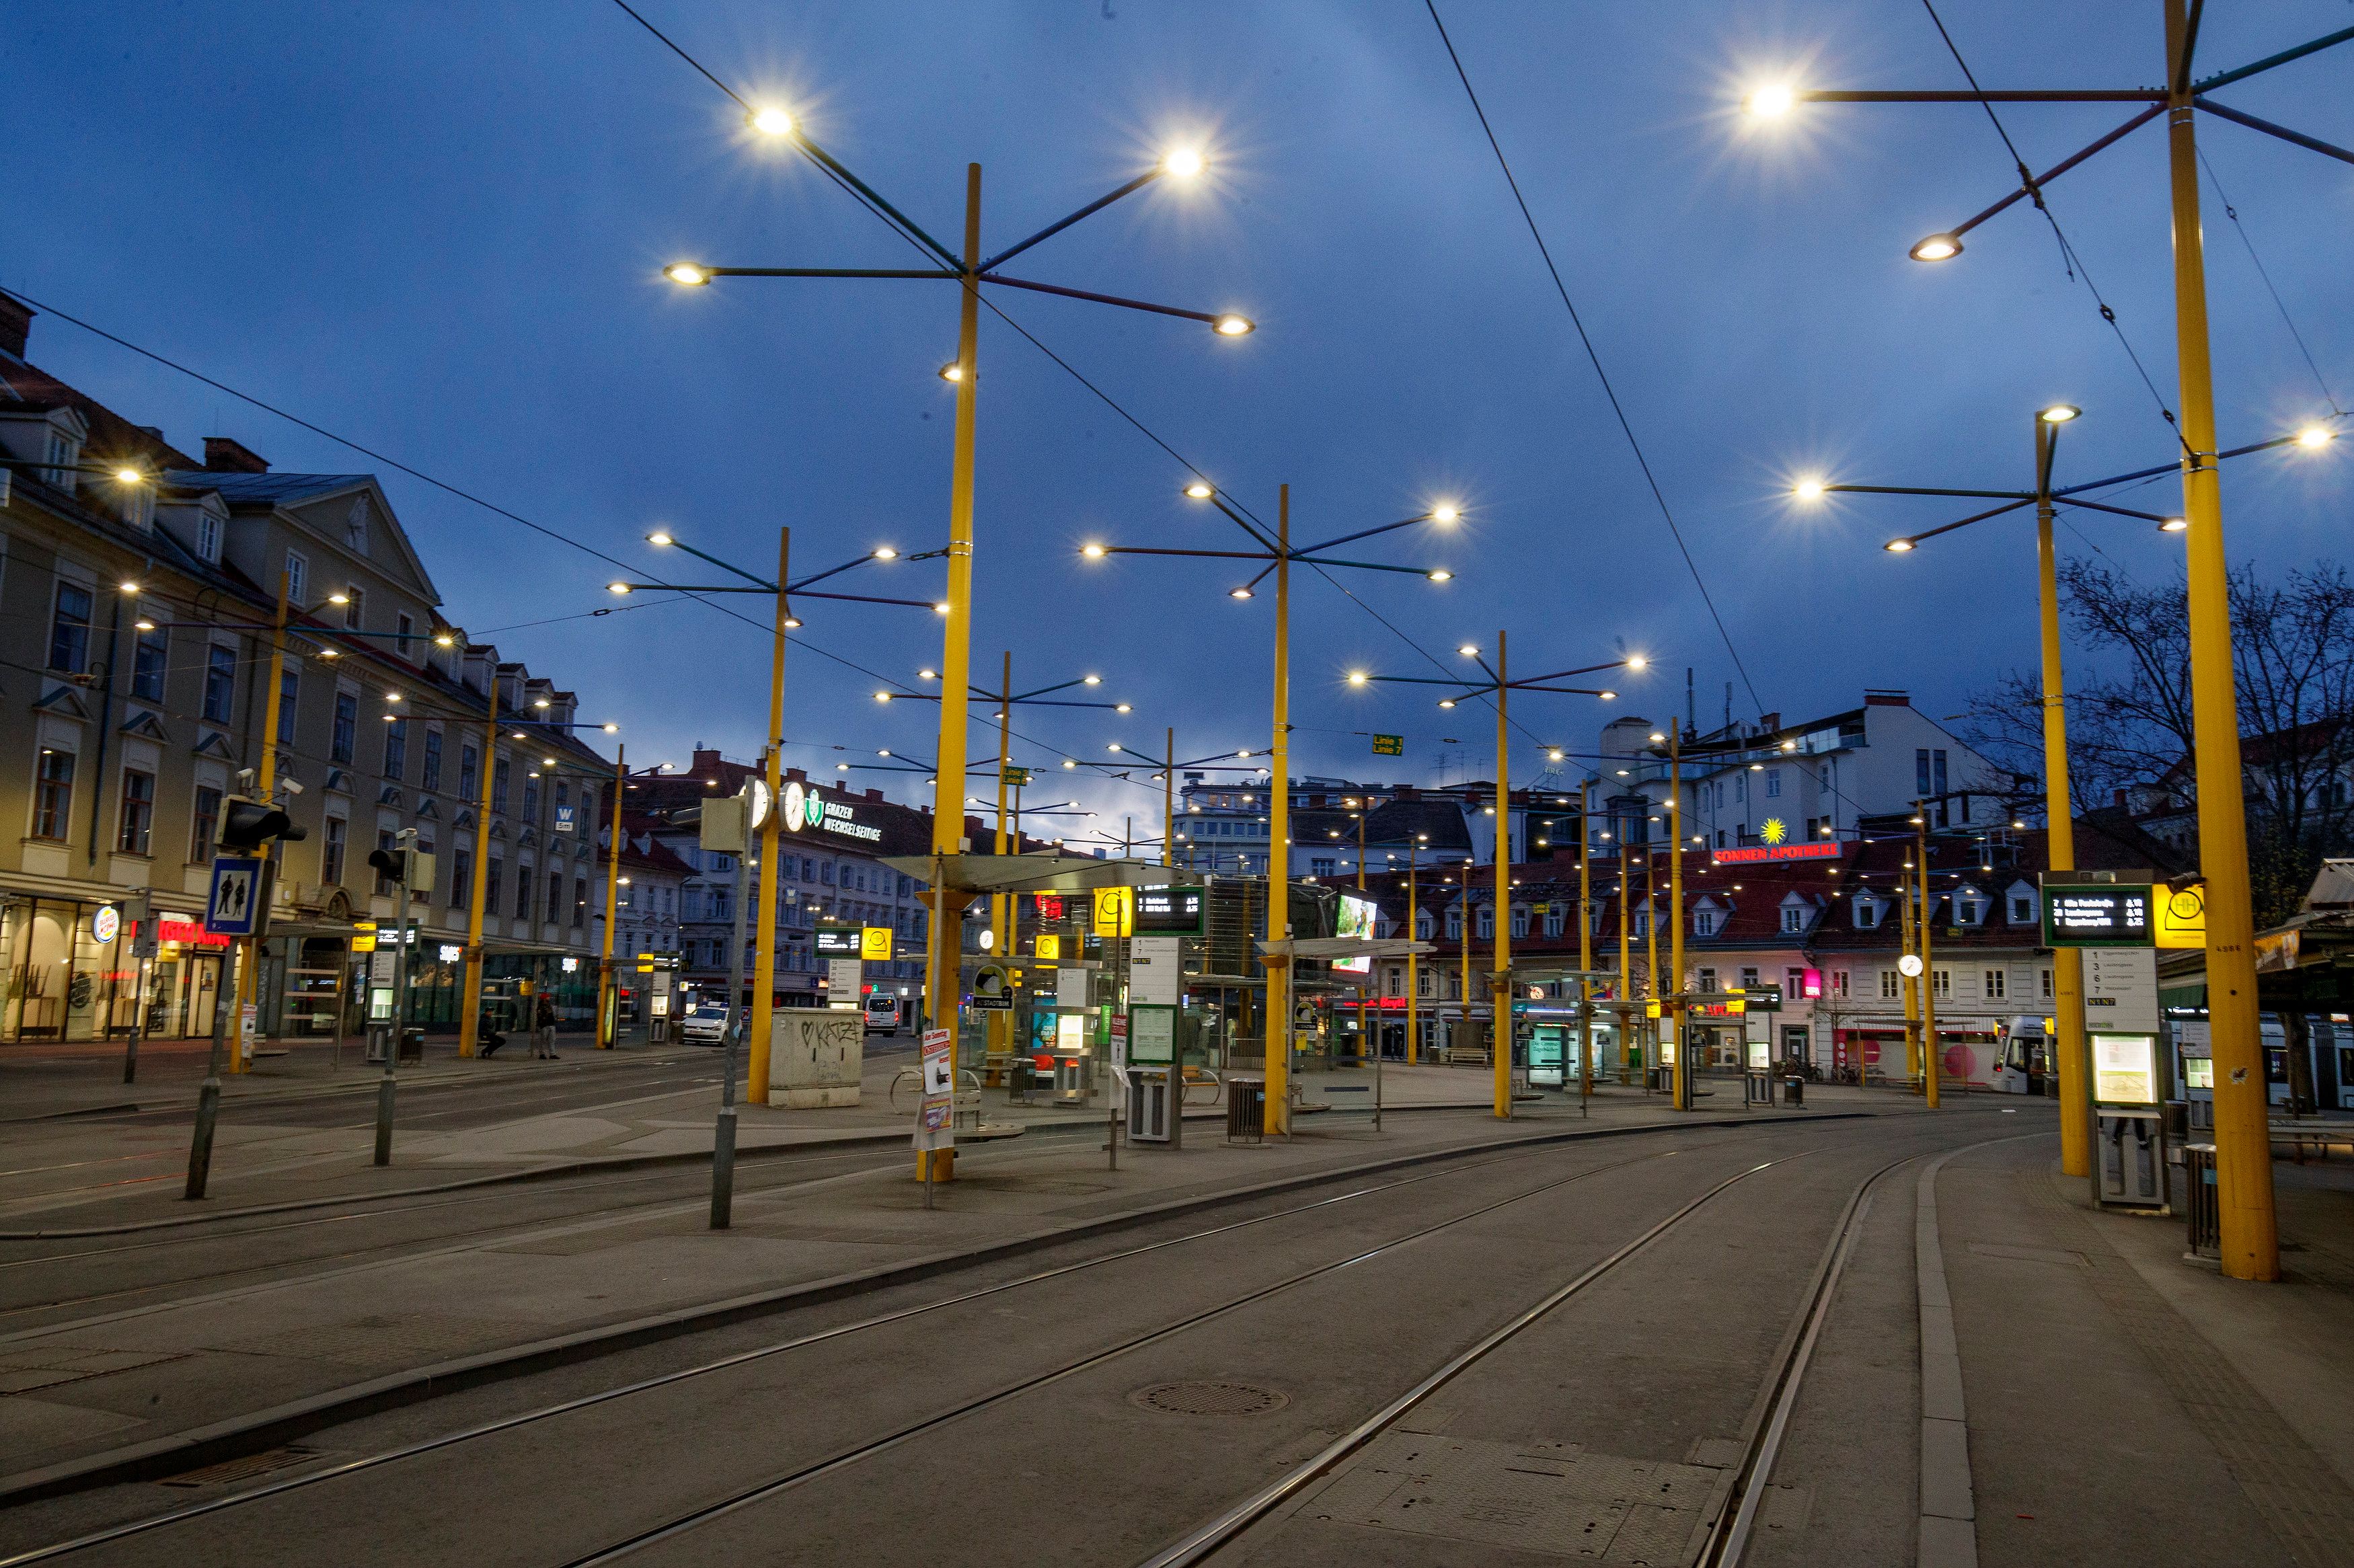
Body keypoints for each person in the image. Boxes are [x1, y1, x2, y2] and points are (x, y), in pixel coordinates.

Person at [533, 991, 559, 1059]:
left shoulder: (549, 1005)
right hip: (545, 1025)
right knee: (543, 1040)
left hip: (551, 1024)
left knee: (552, 1040)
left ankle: (552, 1054)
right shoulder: (541, 1006)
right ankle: (542, 1054)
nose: (549, 998)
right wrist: (542, 1024)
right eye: (548, 997)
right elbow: (540, 1016)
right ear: (544, 998)